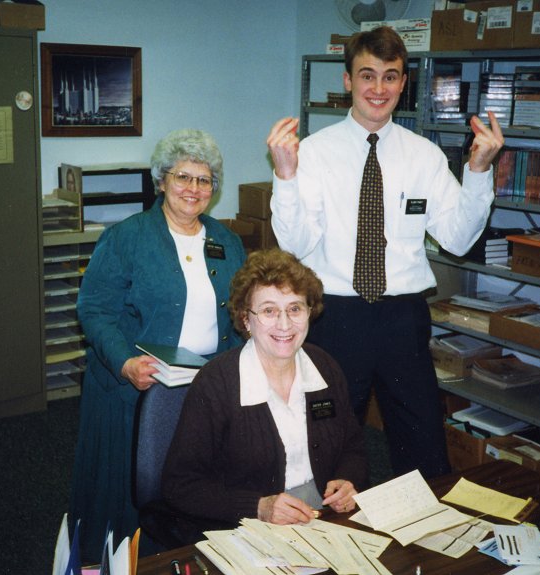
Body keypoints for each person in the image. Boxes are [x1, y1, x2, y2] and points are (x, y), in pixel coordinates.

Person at [266, 26, 505, 480]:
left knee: (423, 444)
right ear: (348, 81)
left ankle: (421, 525)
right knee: (327, 445)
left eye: (390, 77)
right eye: (368, 75)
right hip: (336, 316)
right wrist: (285, 175)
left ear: (403, 83)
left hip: (402, 318)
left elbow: (457, 239)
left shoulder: (424, 156)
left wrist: (477, 171)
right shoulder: (312, 154)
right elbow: (294, 245)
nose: (379, 88)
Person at [69, 128, 246, 562]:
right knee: (126, 494)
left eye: (204, 180)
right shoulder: (126, 238)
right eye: (182, 176)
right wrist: (125, 362)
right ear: (162, 180)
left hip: (201, 388)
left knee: (193, 486)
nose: (193, 188)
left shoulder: (226, 241)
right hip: (134, 388)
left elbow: (242, 313)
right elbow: (94, 310)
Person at [160, 248, 367, 544]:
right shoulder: (216, 383)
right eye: (269, 311)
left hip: (323, 515)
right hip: (246, 527)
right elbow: (180, 486)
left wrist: (348, 479)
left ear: (310, 312)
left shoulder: (324, 367)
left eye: (295, 308)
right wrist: (258, 506)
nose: (284, 324)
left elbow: (353, 446)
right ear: (246, 319)